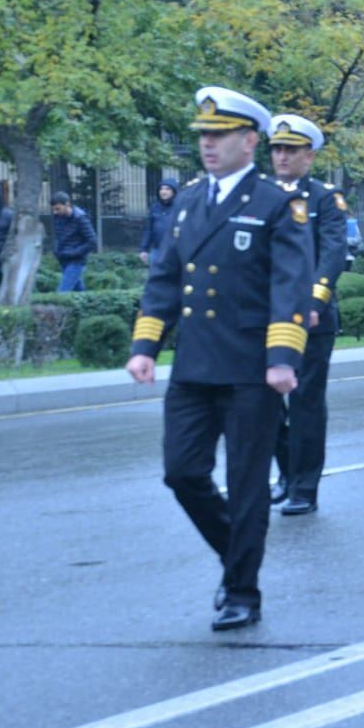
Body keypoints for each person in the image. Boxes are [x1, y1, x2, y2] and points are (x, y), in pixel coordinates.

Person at [126, 85, 312, 631]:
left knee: (249, 484)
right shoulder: (187, 201)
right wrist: (145, 346)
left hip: (253, 370)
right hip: (195, 367)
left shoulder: (279, 204)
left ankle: (242, 591)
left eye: (220, 135)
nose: (208, 144)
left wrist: (282, 358)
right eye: (204, 135)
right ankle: (237, 553)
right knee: (182, 473)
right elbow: (164, 279)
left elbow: (290, 284)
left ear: (249, 141)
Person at [267, 114, 348, 515]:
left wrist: (313, 304)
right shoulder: (259, 195)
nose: (282, 156)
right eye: (277, 149)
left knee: (304, 404)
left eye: (291, 150)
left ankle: (304, 488)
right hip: (264, 320)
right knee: (263, 403)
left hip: (310, 321)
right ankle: (286, 471)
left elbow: (332, 254)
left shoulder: (324, 199)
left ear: (309, 156)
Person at [50, 190, 98, 293]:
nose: (55, 212)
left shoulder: (80, 218)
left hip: (76, 260)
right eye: (54, 210)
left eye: (58, 209)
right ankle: (89, 306)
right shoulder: (58, 217)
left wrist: (75, 252)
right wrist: (57, 250)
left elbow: (92, 241)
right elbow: (59, 236)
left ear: (67, 204)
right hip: (63, 259)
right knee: (79, 291)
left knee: (62, 292)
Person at [140, 179, 180, 266]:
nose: (163, 192)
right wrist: (144, 249)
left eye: (167, 189)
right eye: (161, 189)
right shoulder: (155, 207)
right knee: (156, 277)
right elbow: (148, 229)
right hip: (157, 250)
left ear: (174, 191)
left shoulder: (180, 207)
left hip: (175, 252)